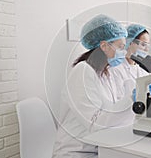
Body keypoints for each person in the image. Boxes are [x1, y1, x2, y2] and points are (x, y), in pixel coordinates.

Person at [52, 14, 134, 158]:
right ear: (104, 46)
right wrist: (132, 100)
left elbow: (112, 110)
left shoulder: (106, 72)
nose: (124, 52)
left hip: (100, 148)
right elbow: (95, 123)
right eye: (120, 47)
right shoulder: (82, 71)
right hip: (77, 152)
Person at [110, 24, 150, 100]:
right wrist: (131, 98)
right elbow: (117, 100)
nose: (146, 49)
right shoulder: (115, 69)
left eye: (148, 45)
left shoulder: (142, 70)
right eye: (143, 44)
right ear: (130, 43)